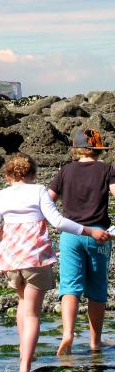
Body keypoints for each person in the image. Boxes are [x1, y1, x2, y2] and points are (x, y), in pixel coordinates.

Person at [0, 152, 109, 372]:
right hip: (36, 259)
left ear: (7, 176)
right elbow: (58, 222)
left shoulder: (1, 196)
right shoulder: (39, 191)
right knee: (33, 313)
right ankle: (25, 367)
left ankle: (26, 354)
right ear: (33, 174)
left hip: (11, 260)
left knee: (22, 304)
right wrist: (90, 230)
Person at [48, 128, 115, 356]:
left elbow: (48, 201)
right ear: (97, 149)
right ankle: (95, 341)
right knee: (96, 290)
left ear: (76, 148)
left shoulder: (65, 171)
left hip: (71, 234)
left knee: (70, 287)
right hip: (99, 234)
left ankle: (68, 334)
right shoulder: (106, 169)